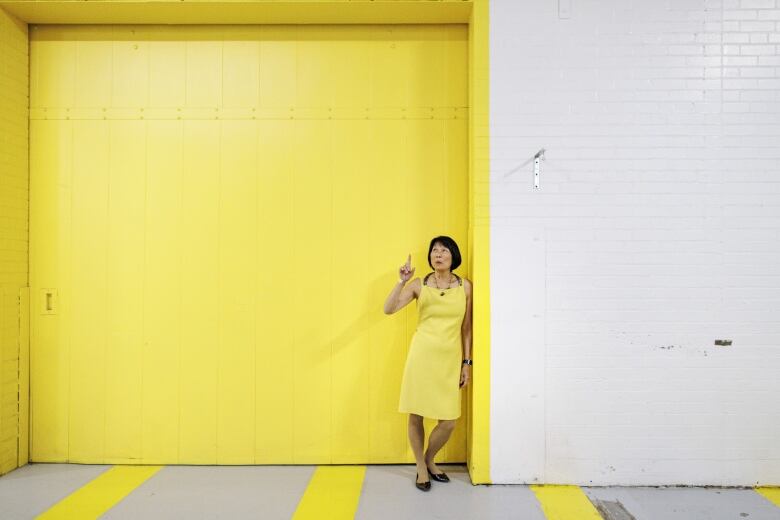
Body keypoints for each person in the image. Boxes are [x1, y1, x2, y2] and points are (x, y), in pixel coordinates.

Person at [383, 236, 473, 492]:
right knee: (417, 413)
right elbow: (388, 309)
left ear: (453, 256)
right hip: (421, 356)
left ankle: (429, 458)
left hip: (449, 359)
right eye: (434, 250)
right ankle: (422, 467)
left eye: (444, 250)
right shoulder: (418, 285)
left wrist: (467, 363)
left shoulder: (465, 287)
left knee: (449, 420)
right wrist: (401, 282)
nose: (438, 254)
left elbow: (466, 329)